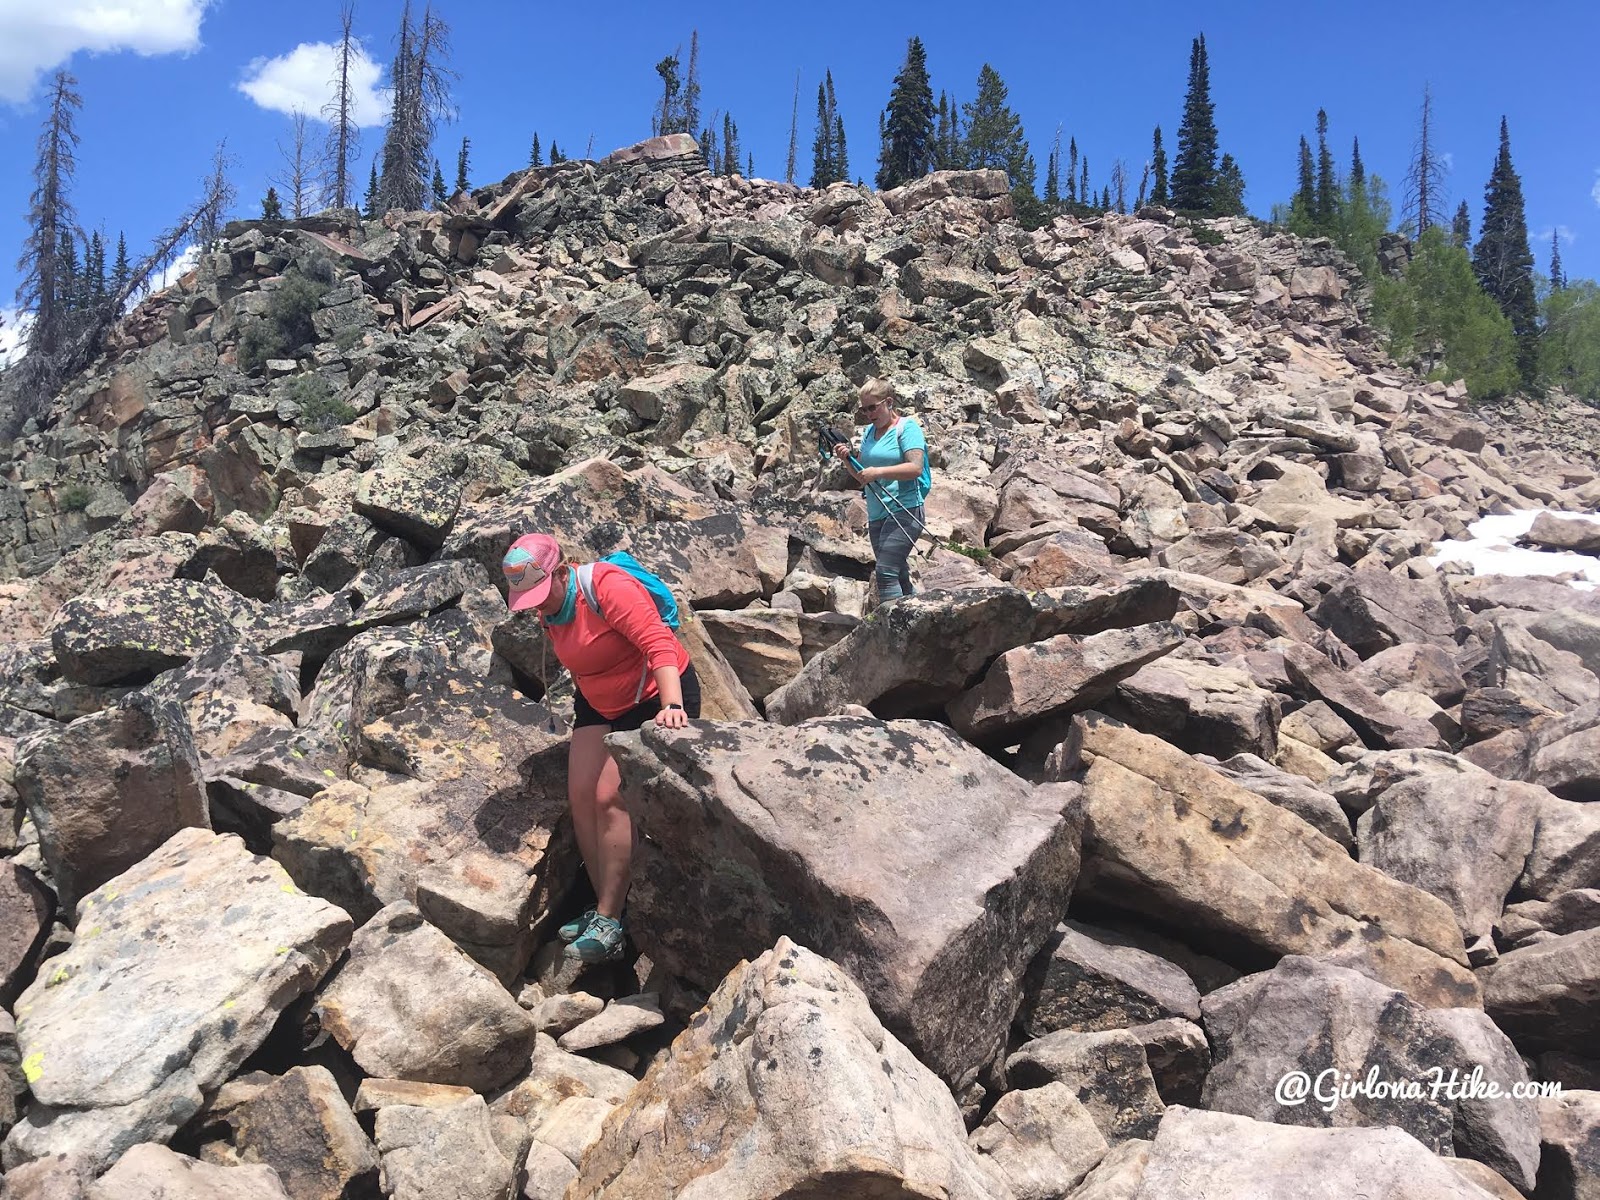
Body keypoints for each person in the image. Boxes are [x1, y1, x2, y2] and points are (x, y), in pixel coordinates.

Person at [502, 533, 701, 964]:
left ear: (559, 572)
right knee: (580, 795)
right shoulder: (549, 606)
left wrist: (671, 706)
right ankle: (604, 906)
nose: (537, 605)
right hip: (597, 699)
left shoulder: (607, 587)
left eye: (540, 593)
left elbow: (659, 642)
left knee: (610, 798)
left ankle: (611, 922)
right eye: (528, 598)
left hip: (652, 695)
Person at [831, 378, 932, 605]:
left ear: (888, 402)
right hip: (878, 512)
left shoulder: (907, 428)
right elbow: (861, 475)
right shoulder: (868, 432)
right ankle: (918, 617)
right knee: (898, 572)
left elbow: (915, 468)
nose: (868, 413)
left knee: (886, 573)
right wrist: (847, 459)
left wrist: (878, 472)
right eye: (863, 409)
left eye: (872, 407)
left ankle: (893, 630)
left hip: (905, 508)